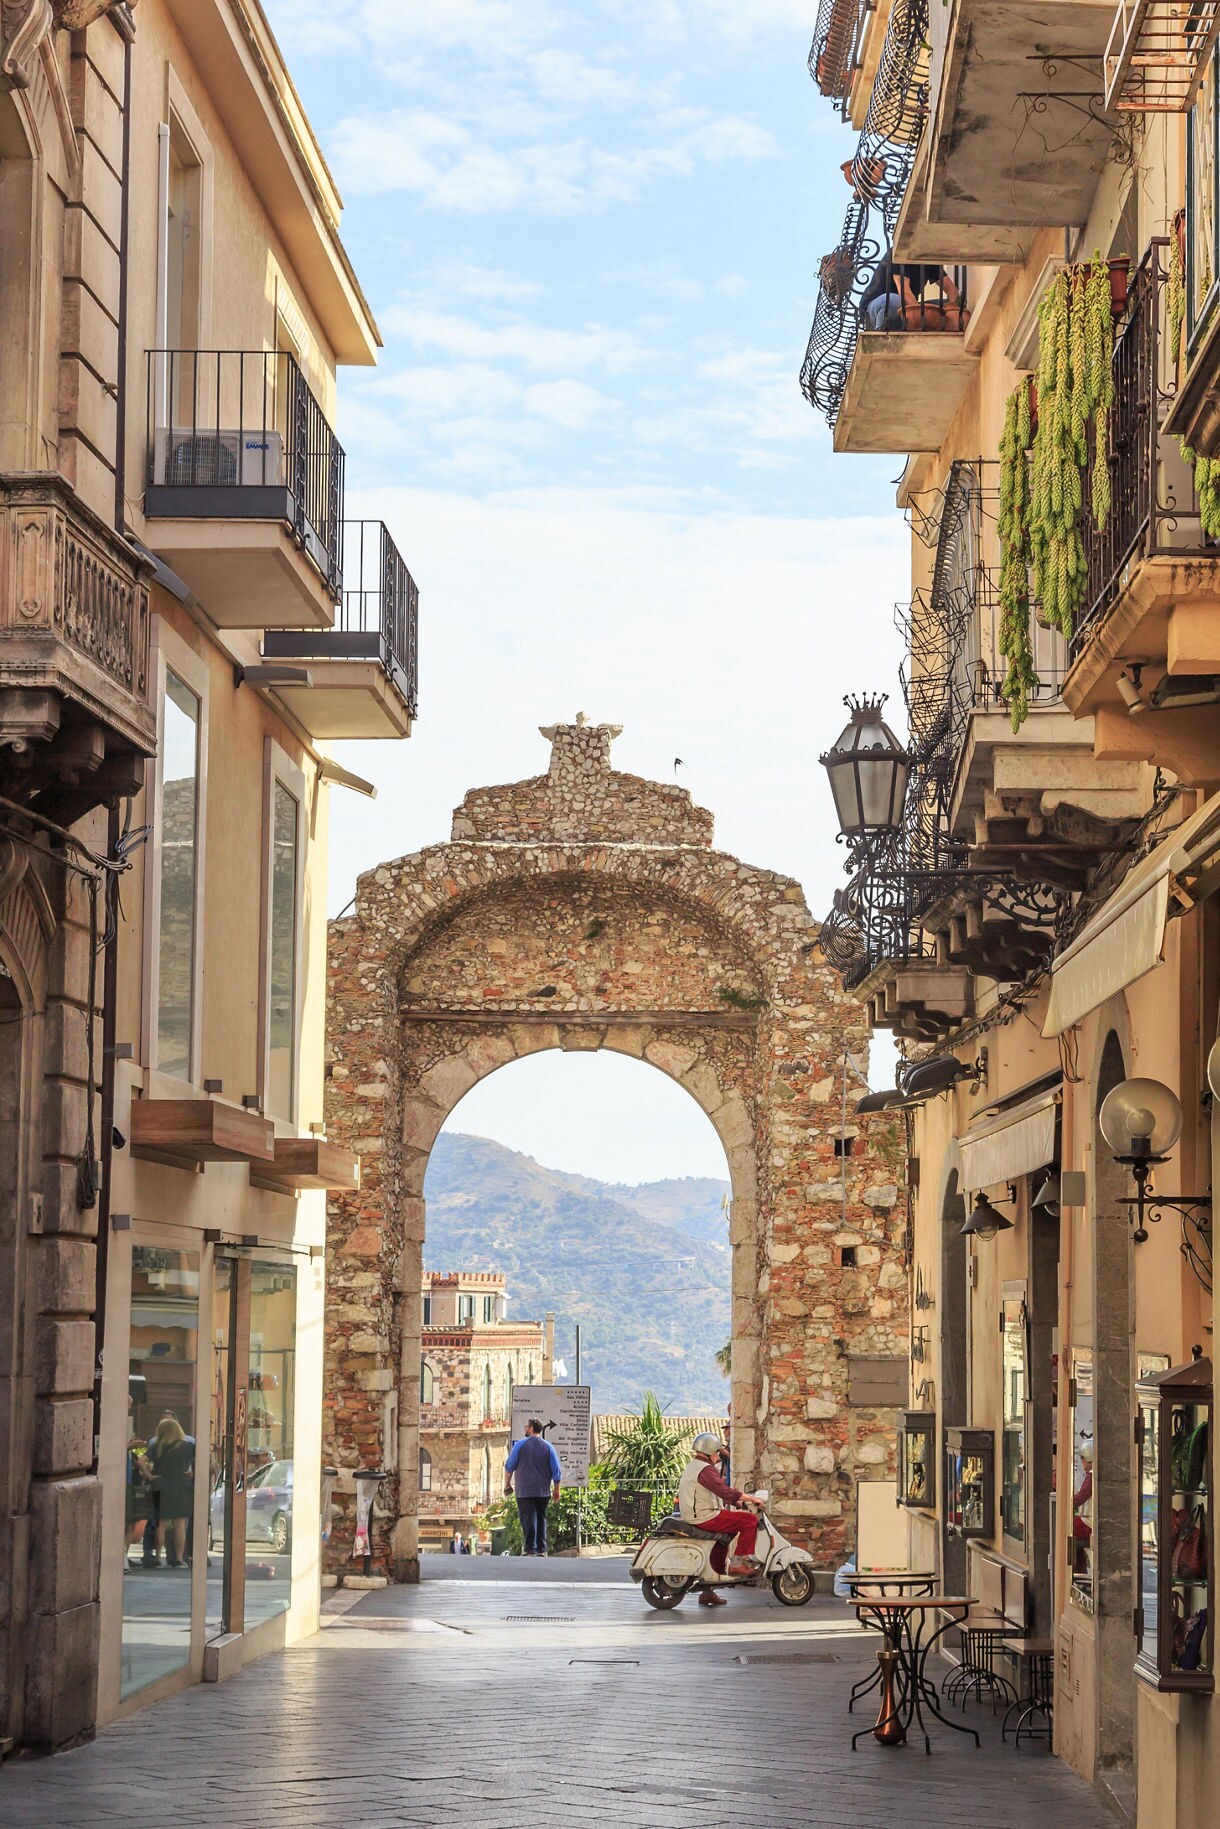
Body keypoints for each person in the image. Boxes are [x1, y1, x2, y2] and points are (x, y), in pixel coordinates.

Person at [678, 1432, 764, 1608]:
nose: (718, 1455)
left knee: (722, 1540)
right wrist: (751, 1499)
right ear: (709, 1451)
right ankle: (737, 1563)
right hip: (704, 1516)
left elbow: (711, 1493)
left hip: (697, 1515)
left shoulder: (695, 1466)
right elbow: (723, 1490)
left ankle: (708, 1591)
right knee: (748, 1521)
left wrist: (737, 1502)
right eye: (717, 1452)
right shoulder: (705, 1469)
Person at [858, 252, 961, 331]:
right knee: (895, 301)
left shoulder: (929, 260)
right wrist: (922, 322)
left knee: (941, 306)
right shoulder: (897, 254)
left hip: (905, 310)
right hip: (876, 309)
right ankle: (880, 337)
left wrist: (953, 311)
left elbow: (951, 290)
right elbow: (904, 292)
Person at [505, 1418, 561, 1557]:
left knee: (528, 1519)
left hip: (524, 1490)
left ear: (531, 1428)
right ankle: (542, 1549)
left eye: (526, 1426)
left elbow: (510, 1466)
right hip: (542, 1490)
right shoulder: (548, 1447)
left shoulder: (519, 1445)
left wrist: (507, 1484)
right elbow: (556, 1470)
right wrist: (556, 1489)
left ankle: (530, 1549)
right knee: (542, 1518)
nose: (525, 1429)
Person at [147, 1416, 195, 1569]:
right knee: (179, 1523)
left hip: (160, 1484)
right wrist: (193, 1472)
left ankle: (159, 1558)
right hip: (180, 1485)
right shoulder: (187, 1446)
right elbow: (202, 1459)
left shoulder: (156, 1446)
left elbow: (141, 1461)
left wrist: (149, 1476)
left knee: (160, 1523)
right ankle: (179, 1559)